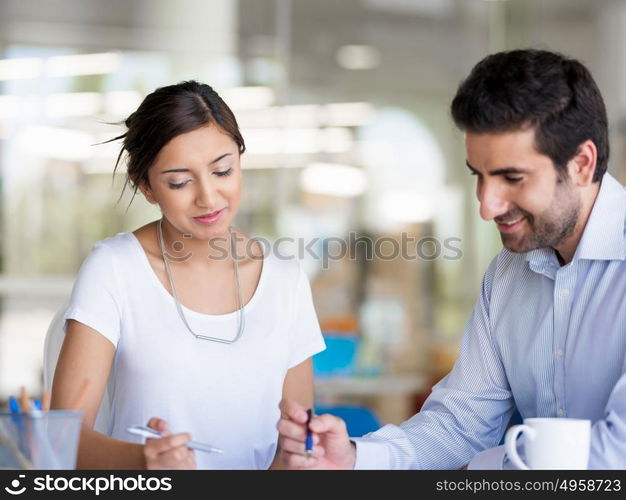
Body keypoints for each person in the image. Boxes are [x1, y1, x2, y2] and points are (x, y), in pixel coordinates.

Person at [277, 49, 626, 469]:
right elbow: (462, 423)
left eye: (512, 178)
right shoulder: (509, 274)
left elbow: (614, 456)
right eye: (479, 175)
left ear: (582, 164)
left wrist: (481, 471)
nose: (487, 206)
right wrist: (354, 458)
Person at [51, 80, 325, 469]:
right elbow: (62, 437)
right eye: (180, 182)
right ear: (145, 187)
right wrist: (143, 460)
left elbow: (296, 444)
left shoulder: (285, 278)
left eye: (223, 171)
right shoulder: (115, 268)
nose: (209, 197)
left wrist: (300, 457)